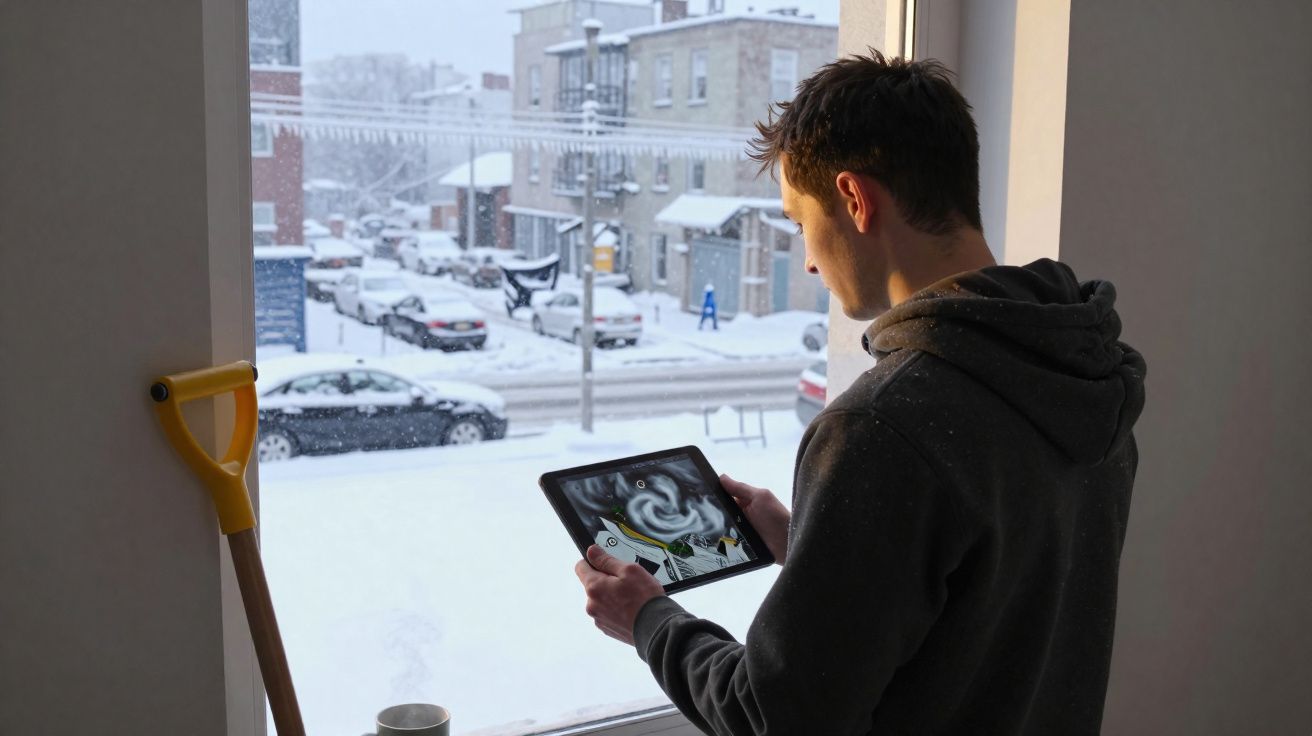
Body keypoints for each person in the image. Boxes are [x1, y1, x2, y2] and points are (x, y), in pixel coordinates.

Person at [574, 50, 1146, 735]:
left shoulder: (883, 427)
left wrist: (648, 620)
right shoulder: (1085, 369)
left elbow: (773, 716)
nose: (809, 259)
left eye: (799, 221)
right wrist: (811, 542)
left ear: (854, 199)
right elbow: (990, 599)